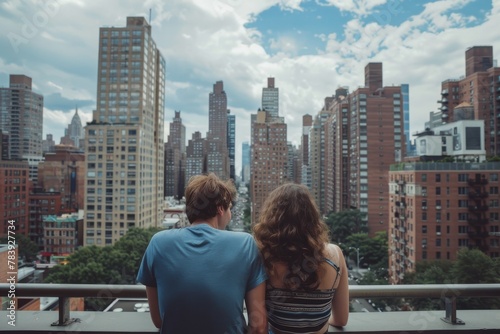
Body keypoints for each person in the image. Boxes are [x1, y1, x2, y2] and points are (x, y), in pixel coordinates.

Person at [137, 173, 268, 334]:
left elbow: (158, 320)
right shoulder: (245, 244)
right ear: (220, 208)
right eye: (230, 209)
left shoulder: (158, 242)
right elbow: (259, 327)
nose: (230, 215)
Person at [253, 183, 349, 334]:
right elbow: (341, 320)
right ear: (312, 217)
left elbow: (258, 321)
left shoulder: (264, 257)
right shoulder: (335, 255)